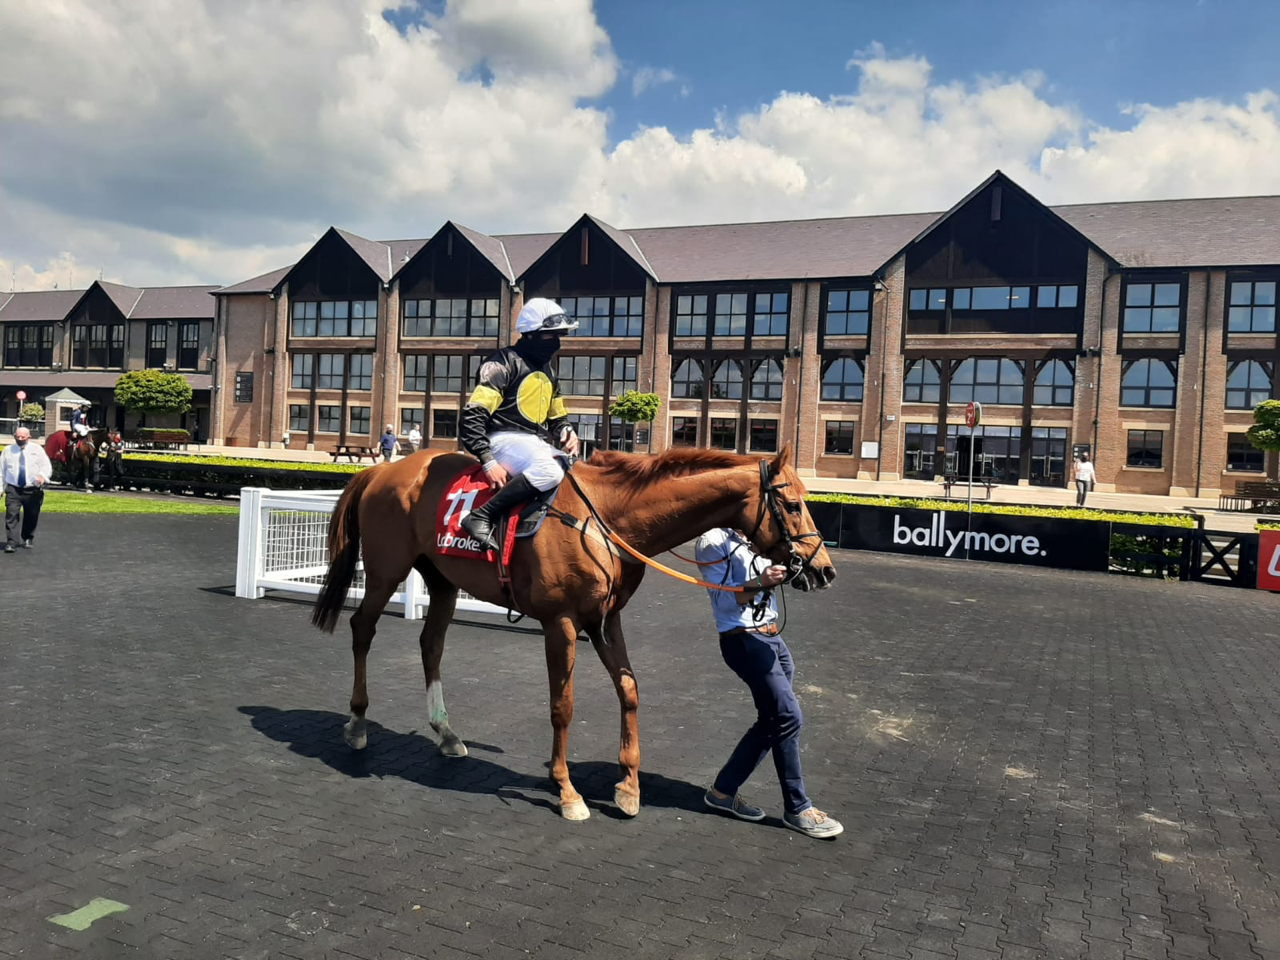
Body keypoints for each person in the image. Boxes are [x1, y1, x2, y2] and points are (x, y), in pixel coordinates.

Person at [695, 527, 844, 840]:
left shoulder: (755, 536)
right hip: (744, 640)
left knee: (773, 720)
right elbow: (725, 603)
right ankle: (798, 808)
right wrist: (762, 581)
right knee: (787, 717)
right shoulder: (712, 543)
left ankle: (722, 792)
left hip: (772, 637)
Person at [458, 298, 580, 551]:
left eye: (559, 335)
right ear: (531, 335)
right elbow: (473, 415)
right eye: (550, 335)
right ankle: (481, 516)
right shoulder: (501, 362)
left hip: (532, 442)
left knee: (577, 471)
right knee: (550, 472)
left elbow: (557, 416)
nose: (556, 342)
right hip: (501, 439)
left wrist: (566, 430)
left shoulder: (548, 371)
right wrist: (487, 460)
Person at [3, 427, 52, 554]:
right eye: (17, 437)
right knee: (11, 514)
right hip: (13, 488)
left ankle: (28, 537)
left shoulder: (37, 450)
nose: (20, 439)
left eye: (22, 437)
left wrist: (42, 476)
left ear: (28, 437)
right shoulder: (8, 451)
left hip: (32, 489)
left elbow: (46, 466)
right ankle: (11, 542)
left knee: (31, 515)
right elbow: (1, 472)